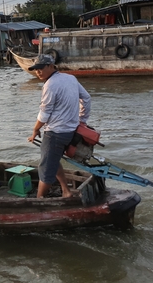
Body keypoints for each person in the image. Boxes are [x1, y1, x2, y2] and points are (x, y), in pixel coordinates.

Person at [27, 54, 91, 198]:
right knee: (53, 160)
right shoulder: (70, 78)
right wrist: (82, 120)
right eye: (35, 69)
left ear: (51, 66)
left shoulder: (50, 85)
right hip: (70, 132)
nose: (38, 72)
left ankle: (39, 199)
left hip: (55, 134)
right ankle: (66, 190)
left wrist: (35, 130)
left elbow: (45, 113)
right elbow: (86, 98)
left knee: (45, 168)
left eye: (41, 68)